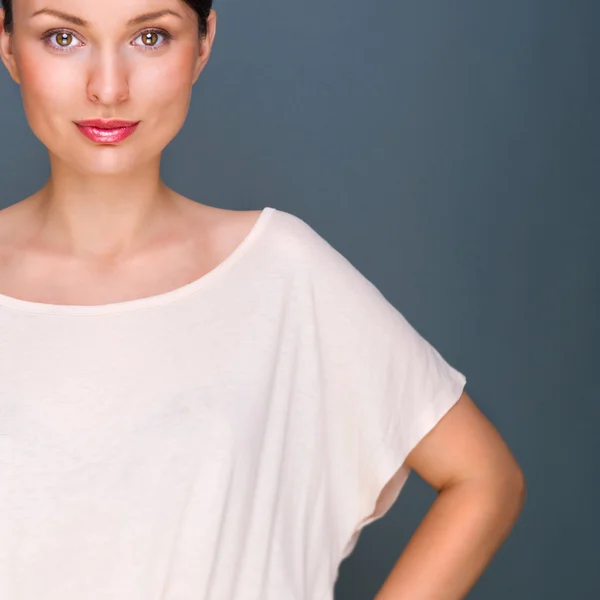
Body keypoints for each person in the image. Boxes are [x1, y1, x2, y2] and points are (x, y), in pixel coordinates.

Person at [0, 1, 526, 599]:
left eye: (150, 36)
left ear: (203, 42)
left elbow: (484, 479)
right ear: (8, 43)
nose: (109, 87)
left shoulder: (280, 270)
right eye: (63, 38)